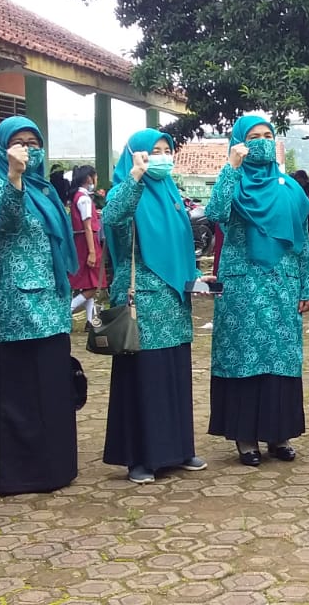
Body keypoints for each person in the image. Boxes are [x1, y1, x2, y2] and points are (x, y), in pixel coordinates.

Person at [205, 115, 309, 465]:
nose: (261, 142)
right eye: (252, 137)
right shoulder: (233, 182)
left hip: (282, 286)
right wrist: (231, 166)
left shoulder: (289, 187)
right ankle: (245, 438)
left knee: (281, 358)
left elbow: (301, 239)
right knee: (243, 360)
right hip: (242, 287)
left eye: (267, 135)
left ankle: (279, 434)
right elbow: (215, 211)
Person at [0, 116, 80, 495]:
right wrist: (14, 179)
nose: (27, 149)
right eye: (18, 142)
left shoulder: (47, 191)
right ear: (2, 148)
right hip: (15, 304)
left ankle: (56, 468)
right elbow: (5, 220)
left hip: (52, 302)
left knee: (52, 389)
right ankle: (21, 474)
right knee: (19, 392)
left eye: (33, 142)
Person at [100, 129, 208, 484]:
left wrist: (195, 279)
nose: (161, 157)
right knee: (143, 378)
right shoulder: (124, 190)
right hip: (140, 301)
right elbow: (112, 219)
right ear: (135, 154)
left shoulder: (171, 193)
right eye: (152, 151)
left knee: (173, 373)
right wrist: (134, 177)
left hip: (174, 302)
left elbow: (182, 245)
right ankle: (140, 457)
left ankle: (177, 449)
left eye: (166, 150)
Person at [69, 165, 104, 324]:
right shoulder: (83, 199)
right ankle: (67, 310)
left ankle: (90, 320)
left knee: (88, 283)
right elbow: (87, 227)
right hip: (87, 242)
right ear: (89, 178)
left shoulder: (78, 196)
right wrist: (91, 251)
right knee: (95, 284)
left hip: (82, 241)